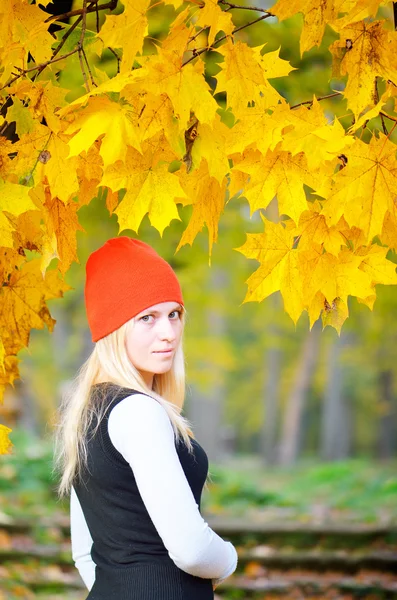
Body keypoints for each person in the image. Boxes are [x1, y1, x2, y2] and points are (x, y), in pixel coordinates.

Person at [54, 236, 238, 600]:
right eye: (147, 318)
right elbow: (191, 548)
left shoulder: (87, 413)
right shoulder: (139, 411)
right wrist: (229, 559)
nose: (168, 333)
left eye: (174, 314)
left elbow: (84, 555)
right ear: (113, 328)